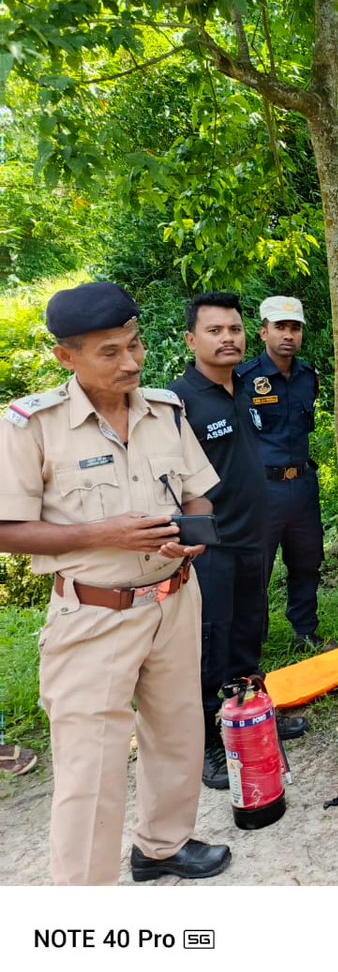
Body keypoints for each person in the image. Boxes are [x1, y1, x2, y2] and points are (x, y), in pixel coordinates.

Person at [0, 281, 231, 884]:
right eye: (110, 352)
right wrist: (107, 534)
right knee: (90, 768)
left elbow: (197, 493)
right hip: (93, 614)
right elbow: (6, 530)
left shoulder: (165, 411)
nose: (130, 362)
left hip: (176, 600)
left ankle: (161, 846)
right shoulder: (32, 425)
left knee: (178, 735)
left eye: (135, 345)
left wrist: (195, 531)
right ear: (66, 357)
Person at [169, 293, 308, 791]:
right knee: (212, 641)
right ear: (191, 340)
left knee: (249, 633)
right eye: (214, 330)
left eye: (234, 329)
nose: (227, 338)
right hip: (211, 547)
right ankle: (210, 741)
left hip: (253, 536)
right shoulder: (178, 402)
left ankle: (253, 716)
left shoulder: (245, 390)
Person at [236, 296, 329, 652]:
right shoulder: (244, 379)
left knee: (307, 562)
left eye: (294, 328)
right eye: (280, 327)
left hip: (303, 486)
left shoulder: (308, 378)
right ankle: (251, 641)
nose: (288, 335)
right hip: (263, 489)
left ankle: (305, 632)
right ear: (263, 332)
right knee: (256, 568)